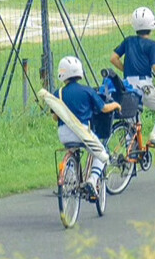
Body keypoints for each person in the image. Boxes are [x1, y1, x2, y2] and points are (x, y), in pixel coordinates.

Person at [110, 6, 155, 151]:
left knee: (132, 122)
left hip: (127, 85)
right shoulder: (152, 45)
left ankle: (130, 155)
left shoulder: (128, 41)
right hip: (144, 86)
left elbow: (113, 58)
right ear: (152, 25)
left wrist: (127, 70)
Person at [51, 55, 119, 200]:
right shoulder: (87, 91)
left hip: (63, 134)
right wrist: (116, 105)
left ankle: (69, 175)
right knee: (101, 153)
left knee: (72, 149)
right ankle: (92, 180)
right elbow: (104, 109)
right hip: (82, 132)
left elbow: (55, 117)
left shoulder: (59, 93)